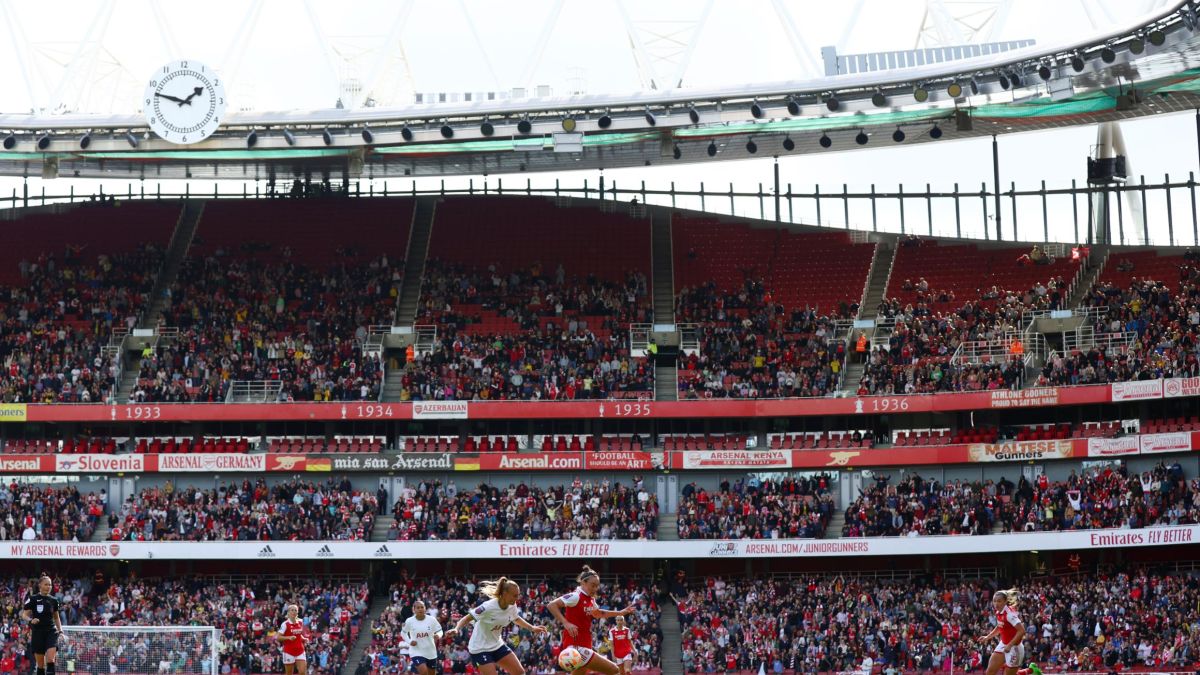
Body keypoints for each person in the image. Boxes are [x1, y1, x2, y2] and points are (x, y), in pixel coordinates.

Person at [445, 577, 547, 675]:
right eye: (514, 595)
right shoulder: (488, 607)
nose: (517, 598)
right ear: (504, 593)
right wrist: (457, 628)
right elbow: (468, 618)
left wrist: (532, 628)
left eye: (518, 595)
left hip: (497, 645)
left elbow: (515, 618)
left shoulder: (512, 605)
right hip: (480, 649)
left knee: (520, 672)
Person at [547, 565, 634, 674]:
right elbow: (551, 605)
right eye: (592, 585)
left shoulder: (591, 600)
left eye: (597, 586)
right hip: (576, 647)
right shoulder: (575, 596)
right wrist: (566, 623)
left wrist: (620, 612)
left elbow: (598, 614)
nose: (595, 589)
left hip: (585, 644)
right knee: (614, 670)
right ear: (583, 583)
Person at [977, 588, 1026, 675]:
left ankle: (1030, 671)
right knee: (989, 672)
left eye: (999, 601)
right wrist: (987, 637)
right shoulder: (998, 612)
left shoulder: (1009, 614)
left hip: (1014, 648)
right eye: (994, 601)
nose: (996, 603)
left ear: (1005, 601)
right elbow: (1000, 626)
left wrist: (1010, 645)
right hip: (1003, 644)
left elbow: (1022, 631)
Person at [21, 574, 62, 675]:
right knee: (40, 666)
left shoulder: (54, 600)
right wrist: (31, 620)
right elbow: (24, 615)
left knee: (51, 660)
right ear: (40, 585)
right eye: (46, 584)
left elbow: (56, 617)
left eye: (50, 585)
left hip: (51, 632)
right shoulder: (33, 599)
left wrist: (60, 630)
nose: (49, 587)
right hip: (37, 633)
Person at [402, 600, 443, 675]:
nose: (420, 609)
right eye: (418, 608)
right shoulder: (409, 621)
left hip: (431, 652)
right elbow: (403, 633)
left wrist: (438, 635)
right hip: (416, 652)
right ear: (414, 610)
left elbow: (440, 631)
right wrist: (410, 641)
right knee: (424, 672)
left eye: (422, 607)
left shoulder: (432, 620)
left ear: (425, 609)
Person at [277, 603, 308, 675]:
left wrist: (304, 638)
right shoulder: (285, 624)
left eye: (295, 610)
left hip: (300, 650)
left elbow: (298, 635)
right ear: (288, 612)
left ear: (297, 612)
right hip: (288, 652)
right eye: (292, 610)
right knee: (289, 673)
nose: (294, 612)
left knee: (303, 672)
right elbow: (278, 637)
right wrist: (289, 638)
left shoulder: (300, 621)